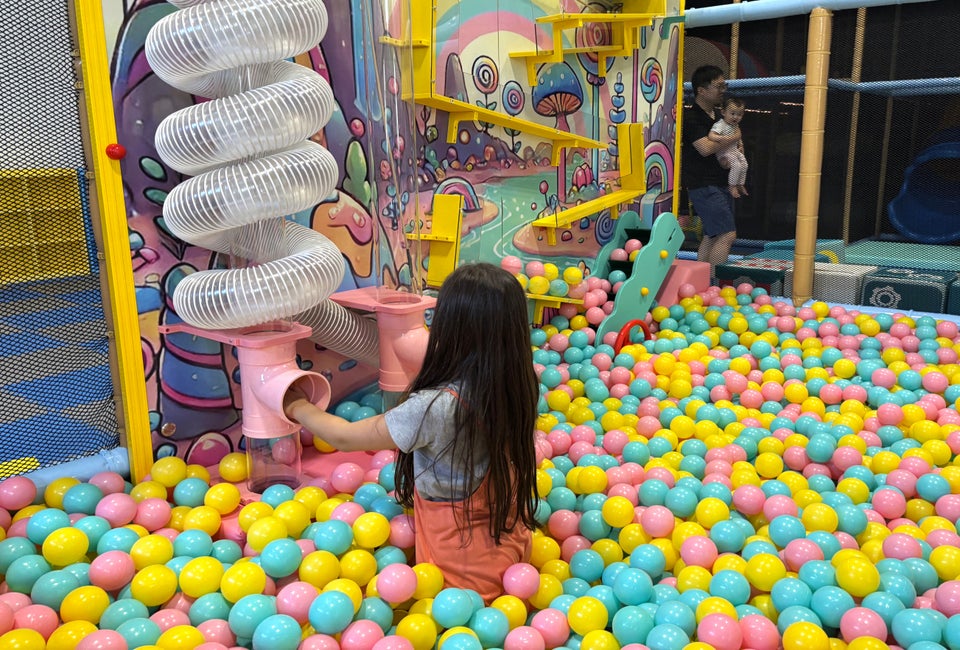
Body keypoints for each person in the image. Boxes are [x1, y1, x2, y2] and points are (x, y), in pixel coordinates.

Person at [283, 262, 539, 603]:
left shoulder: (436, 407)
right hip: (511, 547)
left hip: (461, 577)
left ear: (451, 329)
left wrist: (297, 405)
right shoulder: (518, 384)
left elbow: (344, 436)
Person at [682, 65, 742, 277]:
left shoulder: (720, 117)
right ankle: (714, 284)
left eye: (724, 85)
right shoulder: (691, 118)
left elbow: (730, 141)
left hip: (720, 182)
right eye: (718, 86)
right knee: (727, 234)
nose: (723, 90)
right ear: (701, 90)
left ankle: (701, 283)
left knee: (712, 235)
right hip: (703, 183)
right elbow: (705, 148)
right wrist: (733, 139)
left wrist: (734, 146)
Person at [709, 96, 749, 198]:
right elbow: (711, 135)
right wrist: (722, 138)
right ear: (723, 113)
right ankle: (732, 186)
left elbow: (738, 138)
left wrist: (741, 145)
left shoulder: (735, 126)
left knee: (744, 164)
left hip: (734, 151)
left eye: (739, 114)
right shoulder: (720, 125)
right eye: (732, 114)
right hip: (724, 153)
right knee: (737, 165)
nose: (736, 117)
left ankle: (740, 183)